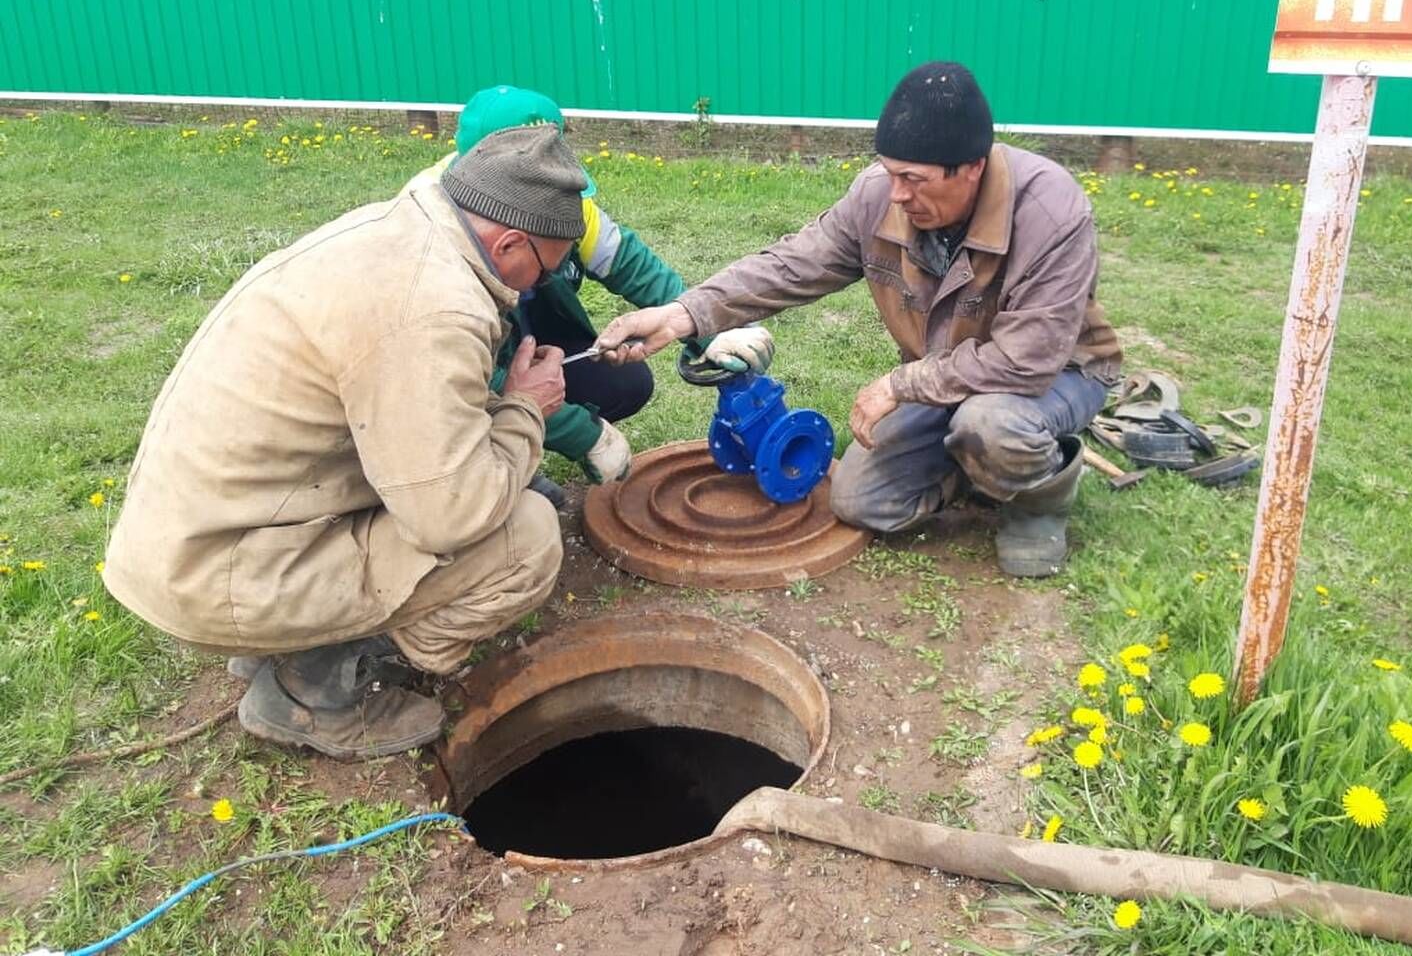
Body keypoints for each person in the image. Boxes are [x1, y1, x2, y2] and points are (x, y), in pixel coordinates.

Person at [104, 125, 587, 759]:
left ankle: (292, 635)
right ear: (511, 243)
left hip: (203, 539)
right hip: (217, 571)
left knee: (498, 492)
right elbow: (452, 516)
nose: (541, 287)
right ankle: (315, 684)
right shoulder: (432, 308)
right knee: (524, 537)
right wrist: (527, 407)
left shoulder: (410, 229)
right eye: (548, 270)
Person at [596, 62, 1122, 576]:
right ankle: (973, 468)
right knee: (859, 501)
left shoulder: (1050, 211)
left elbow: (1025, 361)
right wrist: (682, 315)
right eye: (891, 174)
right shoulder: (881, 196)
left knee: (992, 424)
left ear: (972, 168)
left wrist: (901, 383)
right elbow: (793, 264)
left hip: (1055, 376)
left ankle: (1040, 498)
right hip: (946, 374)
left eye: (912, 179)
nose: (896, 194)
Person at [418, 86, 773, 504]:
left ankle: (520, 440)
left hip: (528, 324)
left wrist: (707, 326)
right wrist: (580, 433)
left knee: (623, 383)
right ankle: (501, 469)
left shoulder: (562, 203)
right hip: (435, 376)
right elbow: (468, 379)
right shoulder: (433, 241)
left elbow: (638, 270)